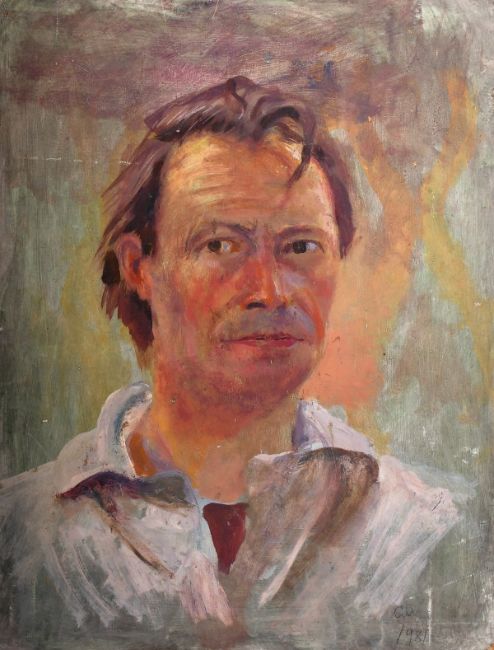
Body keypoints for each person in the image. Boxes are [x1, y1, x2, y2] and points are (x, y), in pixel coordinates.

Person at [0, 77, 461, 649]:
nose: (270, 291)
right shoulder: (23, 536)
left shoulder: (417, 533)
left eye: (301, 247)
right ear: (140, 267)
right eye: (220, 245)